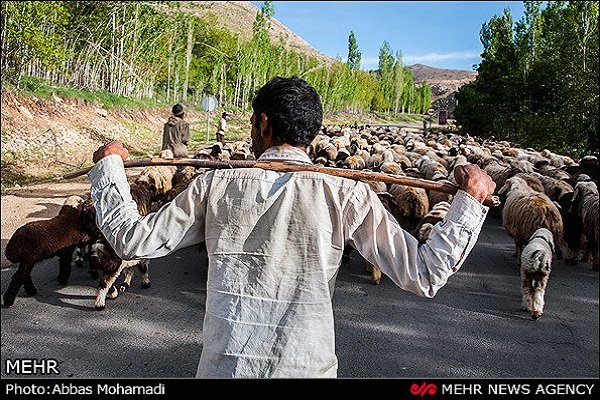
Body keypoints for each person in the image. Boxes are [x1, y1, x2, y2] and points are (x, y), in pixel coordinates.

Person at [89, 76, 495, 378]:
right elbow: (424, 274)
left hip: (226, 368)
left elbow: (132, 241)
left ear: (263, 124)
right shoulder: (346, 194)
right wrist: (470, 204)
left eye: (251, 123)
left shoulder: (215, 185)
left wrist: (109, 168)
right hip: (306, 368)